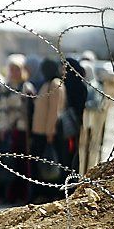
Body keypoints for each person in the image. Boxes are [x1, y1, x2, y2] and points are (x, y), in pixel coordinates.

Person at [0, 55, 35, 204]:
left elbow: (30, 110)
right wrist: (2, 127)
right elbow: (2, 109)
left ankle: (25, 195)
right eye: (11, 69)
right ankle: (9, 195)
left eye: (17, 69)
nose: (14, 72)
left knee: (24, 164)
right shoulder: (5, 87)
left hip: (23, 130)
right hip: (9, 130)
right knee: (10, 163)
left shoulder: (27, 87)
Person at [29, 58, 66, 202]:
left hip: (48, 133)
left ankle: (50, 194)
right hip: (40, 132)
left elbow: (54, 111)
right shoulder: (46, 83)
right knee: (41, 165)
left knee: (49, 166)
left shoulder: (55, 84)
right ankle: (43, 194)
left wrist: (50, 132)